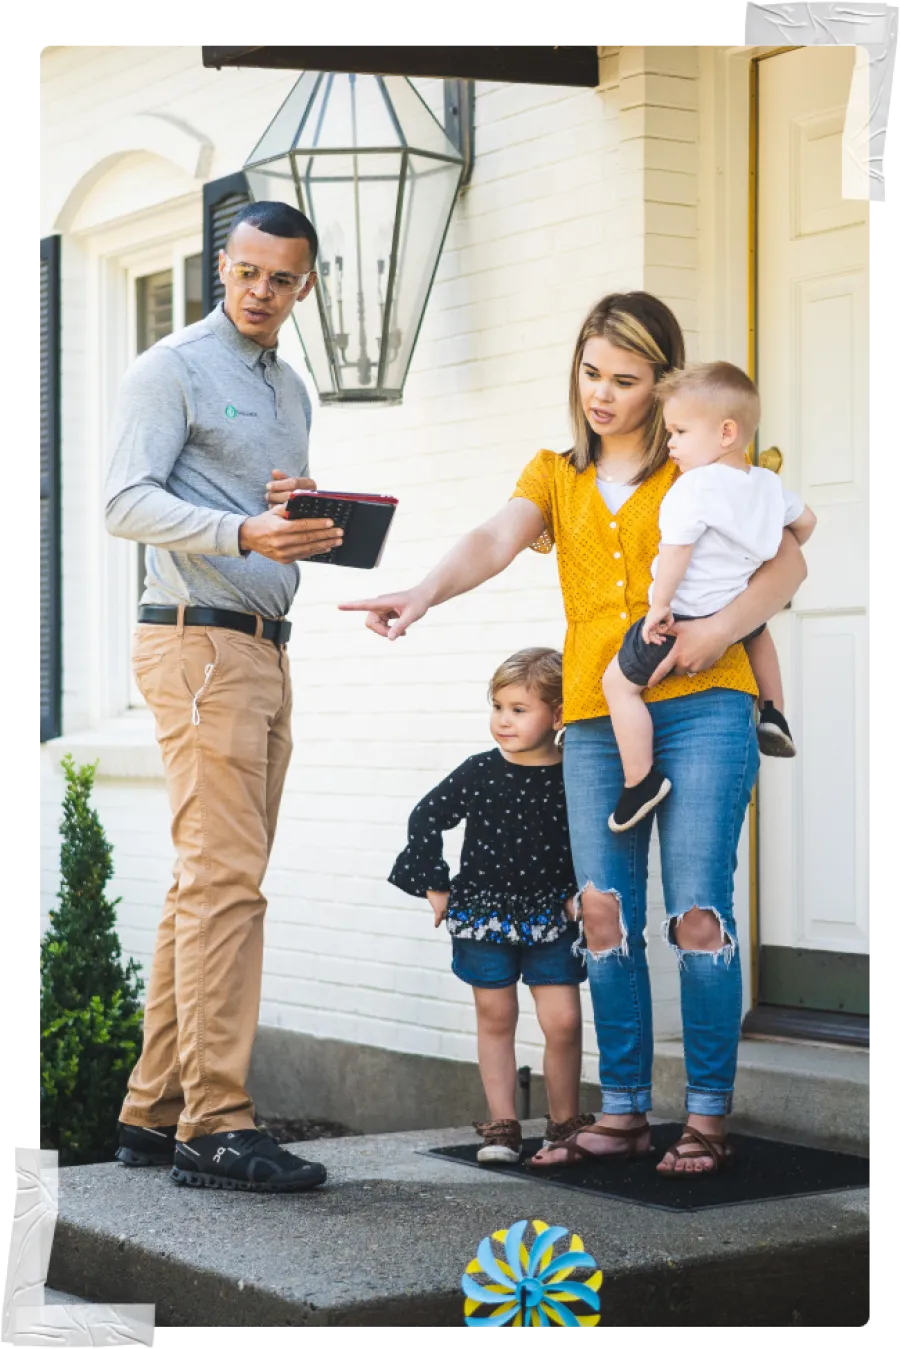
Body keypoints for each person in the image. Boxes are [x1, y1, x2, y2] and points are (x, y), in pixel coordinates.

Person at [331, 292, 809, 1177]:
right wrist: (422, 591)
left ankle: (706, 1116)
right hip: (596, 714)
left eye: (626, 380)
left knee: (697, 908)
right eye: (591, 373)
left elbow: (791, 560)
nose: (602, 394)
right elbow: (493, 536)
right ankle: (623, 1109)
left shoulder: (699, 460)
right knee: (600, 912)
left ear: (661, 383)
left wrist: (712, 633)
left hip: (709, 704)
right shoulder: (556, 475)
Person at [105, 200, 346, 1194]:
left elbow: (252, 505)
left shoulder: (289, 388)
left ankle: (154, 1110)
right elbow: (125, 500)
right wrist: (244, 534)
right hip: (197, 641)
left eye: (281, 278)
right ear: (221, 264)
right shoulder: (169, 367)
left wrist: (294, 516)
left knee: (206, 881)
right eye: (247, 271)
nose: (260, 291)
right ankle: (218, 1120)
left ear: (306, 284)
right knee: (225, 884)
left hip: (262, 649)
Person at [387, 648, 594, 1165]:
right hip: (483, 913)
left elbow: (598, 835)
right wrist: (434, 884)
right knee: (495, 1014)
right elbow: (425, 818)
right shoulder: (479, 772)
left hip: (552, 915)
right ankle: (502, 1126)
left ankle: (564, 1125)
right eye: (498, 706)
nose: (503, 719)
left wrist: (582, 889)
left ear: (560, 714)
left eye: (519, 709)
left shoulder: (577, 774)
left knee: (564, 1019)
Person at [602, 361, 816, 833]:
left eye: (678, 431)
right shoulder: (766, 483)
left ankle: (640, 780)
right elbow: (806, 524)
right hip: (736, 604)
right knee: (757, 634)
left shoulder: (692, 488)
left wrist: (660, 605)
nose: (671, 443)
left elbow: (676, 552)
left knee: (618, 685)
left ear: (725, 432)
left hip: (687, 615)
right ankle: (774, 712)